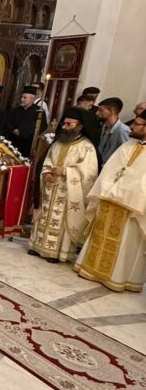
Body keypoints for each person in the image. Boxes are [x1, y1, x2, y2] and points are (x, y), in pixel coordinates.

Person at [74, 112, 146, 292]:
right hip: (109, 200)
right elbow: (108, 171)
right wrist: (107, 190)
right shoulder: (127, 146)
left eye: (137, 124)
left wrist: (124, 193)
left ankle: (118, 277)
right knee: (100, 234)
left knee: (126, 242)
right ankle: (92, 269)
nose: (132, 126)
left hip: (132, 207)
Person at [28, 108, 99, 263]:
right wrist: (46, 173)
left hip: (68, 192)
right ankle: (37, 245)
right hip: (50, 187)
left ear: (80, 126)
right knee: (44, 215)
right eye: (64, 124)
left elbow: (89, 173)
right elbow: (48, 160)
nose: (65, 127)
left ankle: (57, 253)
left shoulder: (87, 147)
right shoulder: (58, 143)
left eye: (69, 124)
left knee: (61, 219)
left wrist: (66, 171)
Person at [7, 86, 47, 158]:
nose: (22, 99)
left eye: (25, 98)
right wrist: (13, 130)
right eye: (22, 97)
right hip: (14, 142)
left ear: (32, 99)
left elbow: (42, 128)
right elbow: (8, 123)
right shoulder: (15, 110)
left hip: (28, 144)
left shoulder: (39, 112)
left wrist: (23, 132)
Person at [97, 96, 131, 164]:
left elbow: (127, 154)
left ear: (111, 111)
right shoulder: (104, 127)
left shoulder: (123, 131)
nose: (97, 113)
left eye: (101, 110)